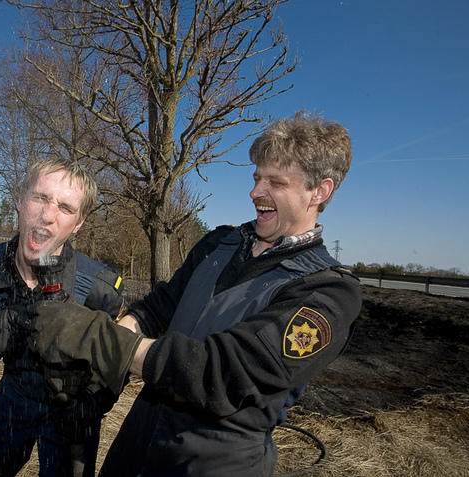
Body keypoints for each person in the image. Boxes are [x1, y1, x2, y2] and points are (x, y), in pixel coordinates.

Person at [28, 111, 362, 476]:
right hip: (138, 442)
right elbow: (158, 309)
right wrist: (102, 366)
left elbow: (220, 372)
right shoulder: (219, 243)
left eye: (275, 182)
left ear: (320, 191)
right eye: (256, 178)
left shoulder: (328, 293)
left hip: (212, 462)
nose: (255, 192)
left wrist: (97, 339)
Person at [0, 158, 126, 477]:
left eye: (65, 208)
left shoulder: (101, 287)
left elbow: (117, 361)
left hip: (72, 415)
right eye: (41, 198)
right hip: (13, 400)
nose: (48, 216)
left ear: (78, 223)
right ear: (21, 200)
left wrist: (94, 402)